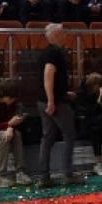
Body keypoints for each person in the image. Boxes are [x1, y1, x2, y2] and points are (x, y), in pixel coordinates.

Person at [37, 23, 80, 187]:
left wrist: (62, 93)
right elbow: (48, 75)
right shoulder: (54, 53)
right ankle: (67, 173)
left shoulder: (45, 53)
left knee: (47, 137)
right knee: (69, 134)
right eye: (63, 34)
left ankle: (44, 176)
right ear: (55, 36)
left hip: (44, 100)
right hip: (55, 102)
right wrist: (52, 100)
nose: (65, 36)